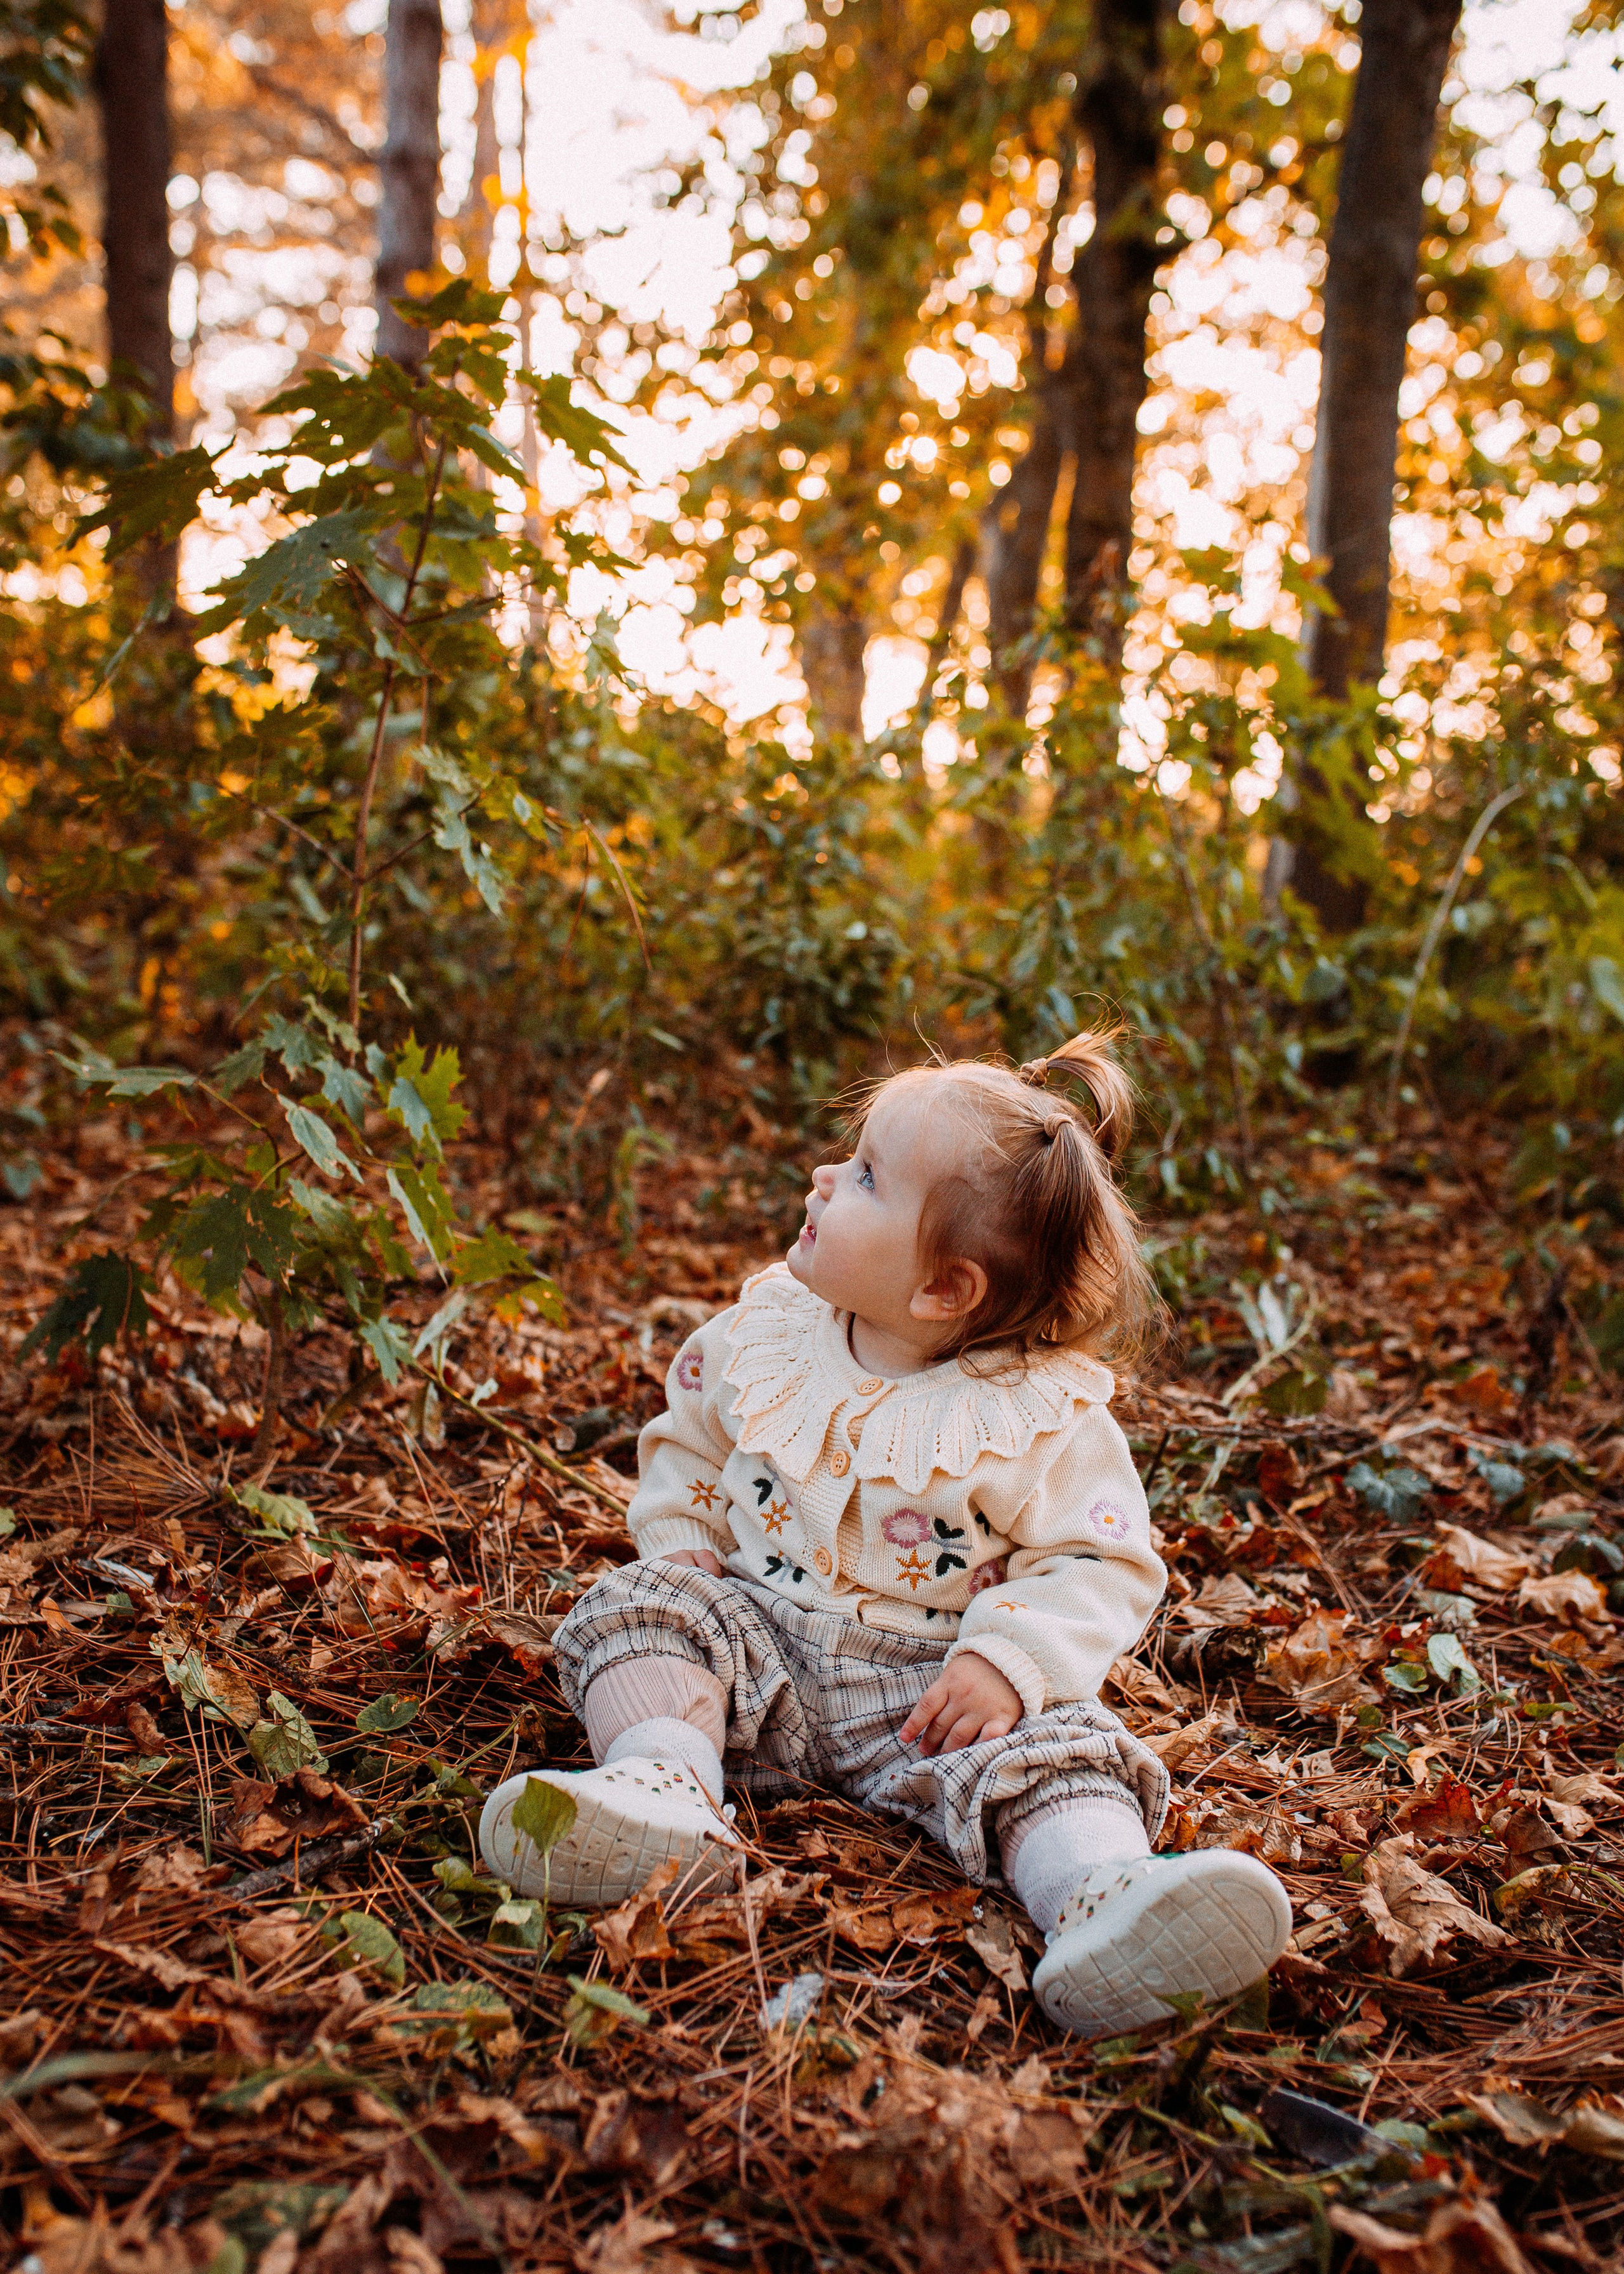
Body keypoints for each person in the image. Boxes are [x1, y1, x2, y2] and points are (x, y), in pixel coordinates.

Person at [480, 1032, 1290, 2037]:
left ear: (943, 1290)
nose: (823, 1179)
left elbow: (1099, 1558)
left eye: (864, 1176)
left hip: (928, 1697)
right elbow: (686, 1441)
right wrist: (682, 1540)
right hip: (751, 1652)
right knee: (639, 1612)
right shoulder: (764, 1335)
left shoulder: (1035, 1416)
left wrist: (1008, 1660)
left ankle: (1097, 1893)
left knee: (1057, 1749)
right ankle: (663, 1780)